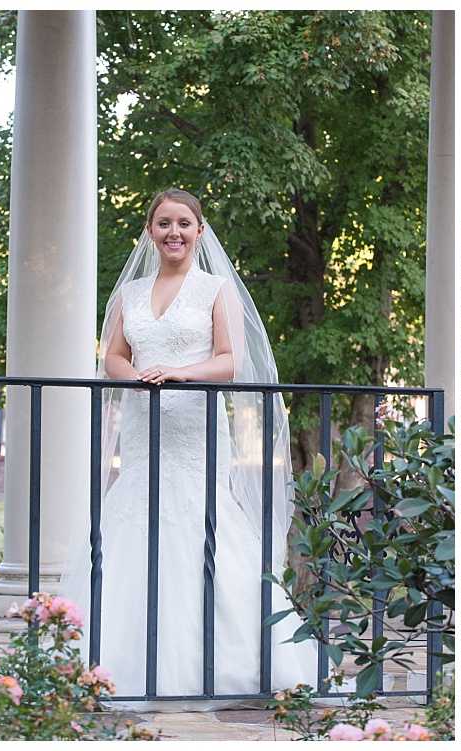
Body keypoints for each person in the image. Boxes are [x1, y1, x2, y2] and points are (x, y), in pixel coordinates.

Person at [62, 189, 317, 709]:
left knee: (199, 518)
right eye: (163, 223)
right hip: (142, 426)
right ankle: (118, 660)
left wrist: (180, 374)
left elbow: (229, 360)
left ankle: (228, 663)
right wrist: (135, 379)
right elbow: (112, 355)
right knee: (133, 518)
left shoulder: (216, 290)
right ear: (150, 231)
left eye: (183, 223)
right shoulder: (129, 294)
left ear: (200, 231)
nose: (173, 232)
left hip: (195, 428)